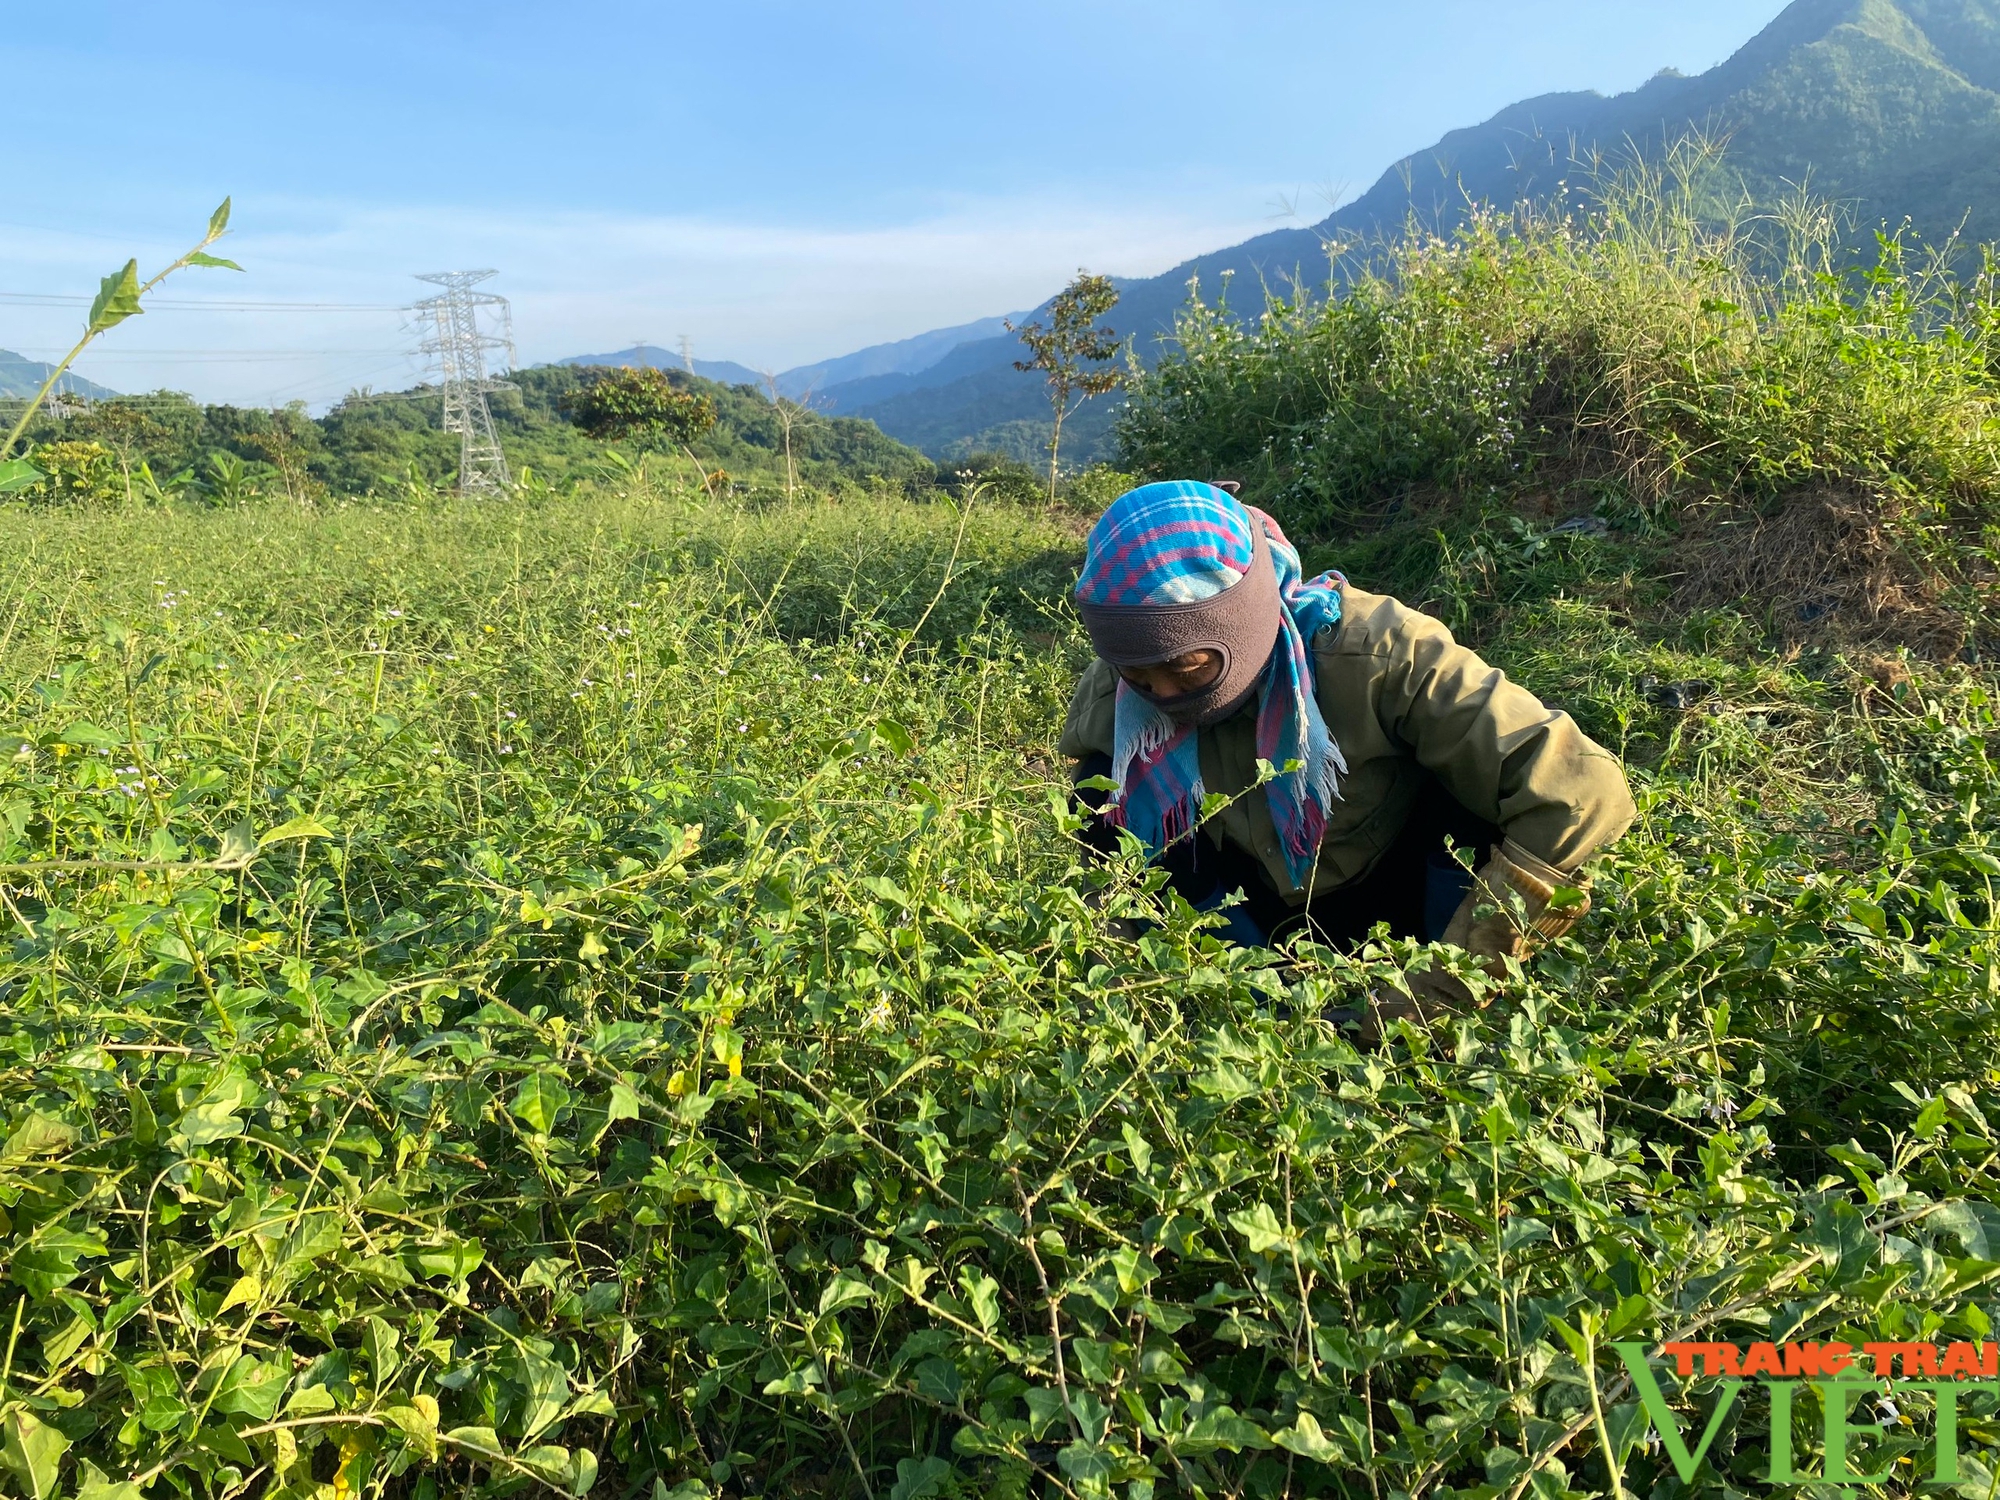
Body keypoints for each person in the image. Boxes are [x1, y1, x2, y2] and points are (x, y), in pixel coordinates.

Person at [1059, 480, 1636, 1021]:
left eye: (1188, 669)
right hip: (1250, 904)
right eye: (1138, 675)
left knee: (1472, 797)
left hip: (1397, 895)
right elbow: (1098, 841)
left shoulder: (1380, 653)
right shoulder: (1118, 691)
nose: (1162, 695)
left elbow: (1582, 791)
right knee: (1101, 790)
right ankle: (1246, 990)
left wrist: (1452, 979)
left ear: (1241, 622)